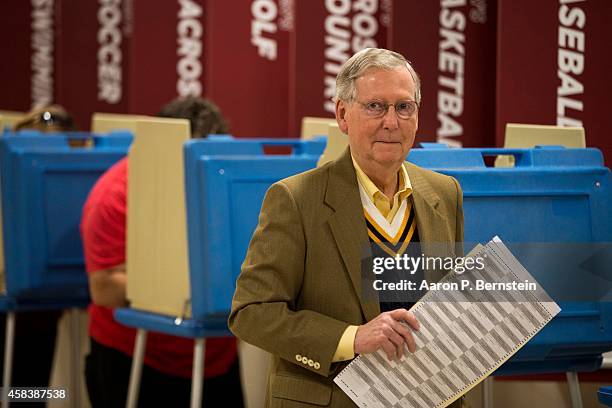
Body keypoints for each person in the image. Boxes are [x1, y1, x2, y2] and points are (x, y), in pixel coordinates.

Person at [229, 48, 464, 407]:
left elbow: (447, 303)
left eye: (404, 107)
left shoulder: (445, 193)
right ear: (342, 114)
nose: (391, 122)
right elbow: (252, 313)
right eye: (375, 107)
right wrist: (351, 338)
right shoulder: (295, 199)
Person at [81, 96, 243, 407]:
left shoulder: (226, 181)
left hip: (214, 353)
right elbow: (104, 287)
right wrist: (195, 291)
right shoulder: (115, 193)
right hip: (134, 357)